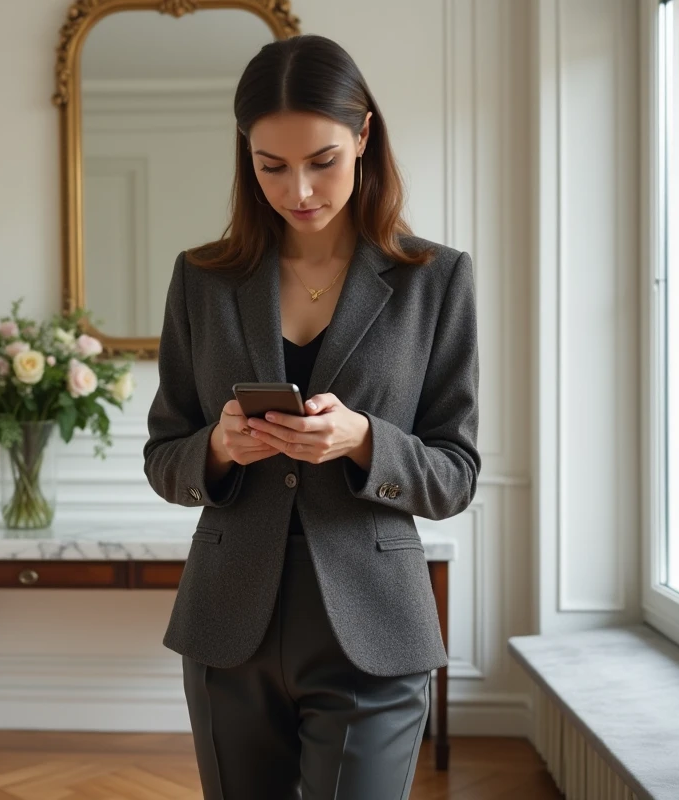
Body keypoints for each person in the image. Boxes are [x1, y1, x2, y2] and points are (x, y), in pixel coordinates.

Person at [142, 34, 481, 799]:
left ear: (363, 135)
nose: (298, 189)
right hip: (230, 627)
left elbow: (454, 476)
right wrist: (219, 449)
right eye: (272, 166)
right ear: (246, 156)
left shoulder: (436, 281)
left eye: (322, 160)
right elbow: (165, 456)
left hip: (374, 629)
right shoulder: (201, 280)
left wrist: (365, 441)